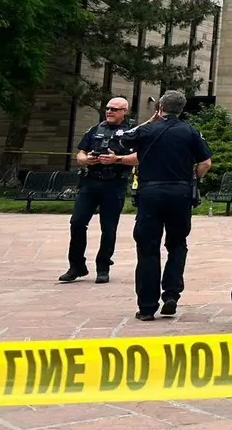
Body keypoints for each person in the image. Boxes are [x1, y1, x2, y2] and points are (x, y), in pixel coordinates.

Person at [107, 90, 212, 320]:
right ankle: (171, 293)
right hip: (180, 193)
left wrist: (150, 120)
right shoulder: (190, 131)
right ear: (181, 109)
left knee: (147, 248)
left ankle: (147, 307)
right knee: (177, 244)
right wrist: (194, 179)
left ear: (160, 107)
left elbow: (119, 139)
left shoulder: (147, 130)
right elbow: (205, 162)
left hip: (150, 193)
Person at [60, 97, 137, 284]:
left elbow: (139, 157)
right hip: (90, 182)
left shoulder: (132, 132)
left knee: (108, 228)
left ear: (124, 111)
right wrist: (86, 160)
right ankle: (76, 266)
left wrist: (117, 159)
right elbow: (81, 153)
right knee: (77, 223)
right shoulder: (95, 129)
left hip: (114, 184)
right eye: (108, 108)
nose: (109, 112)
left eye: (114, 109)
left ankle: (103, 266)